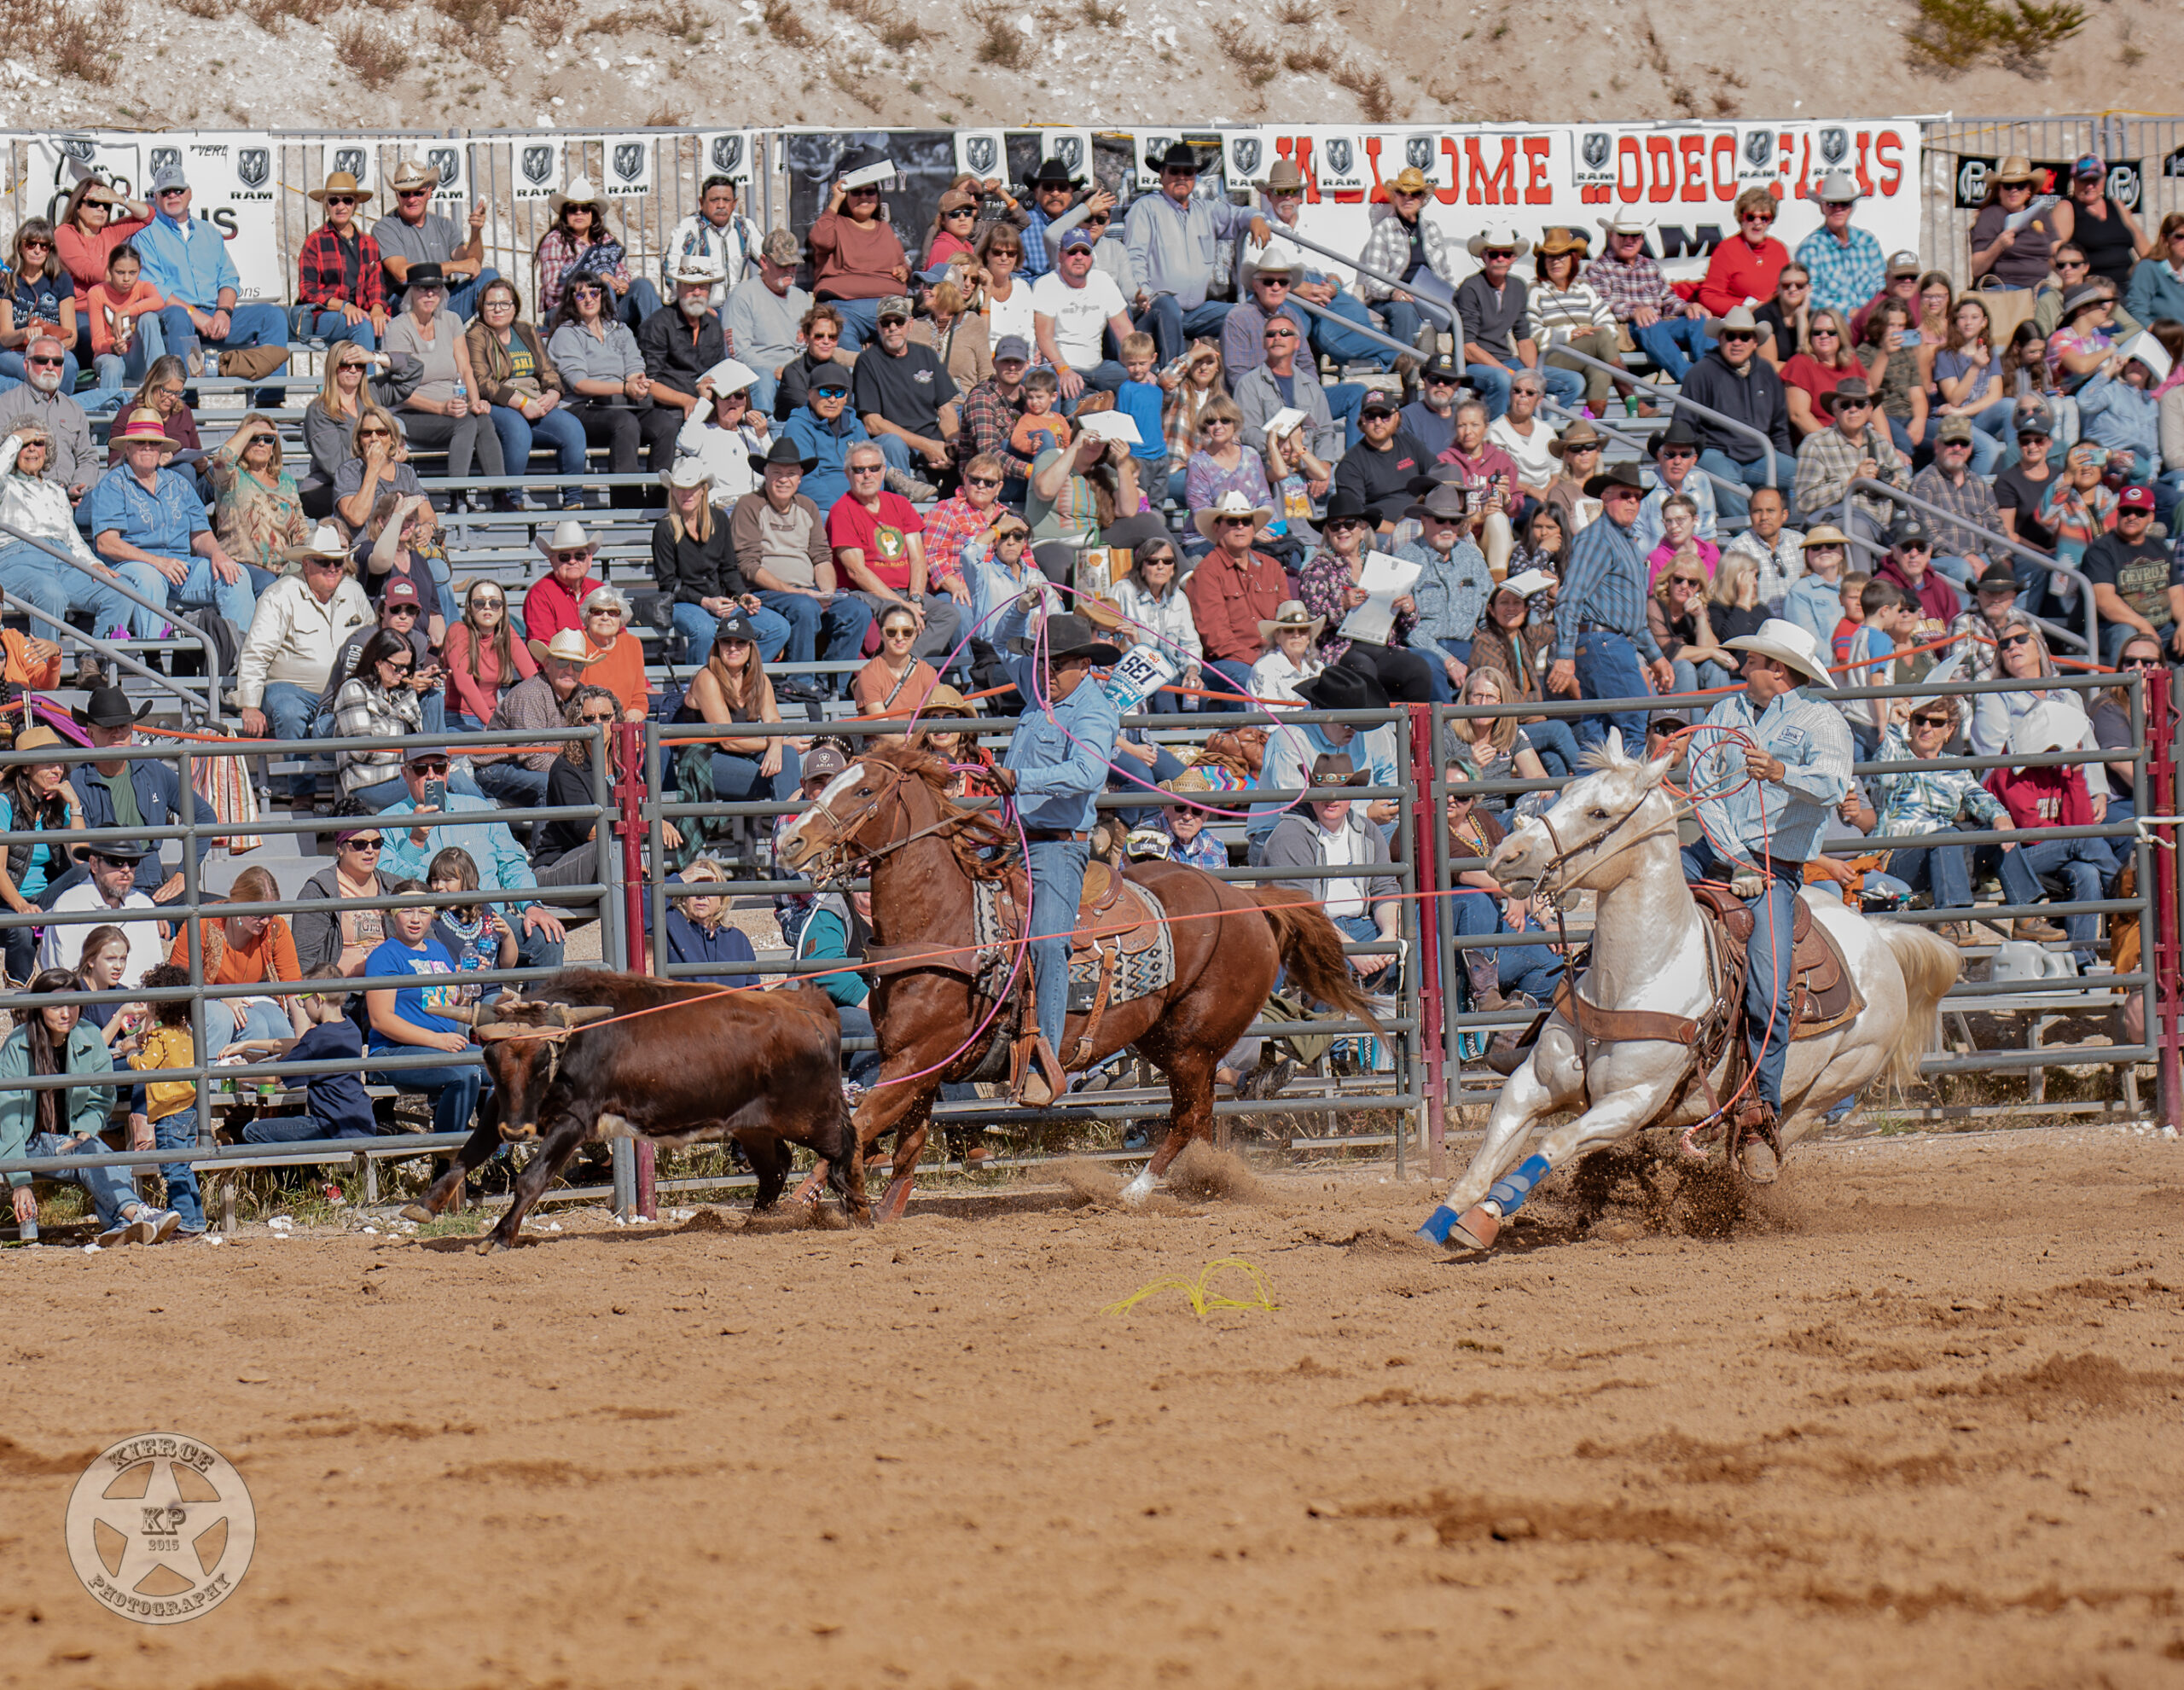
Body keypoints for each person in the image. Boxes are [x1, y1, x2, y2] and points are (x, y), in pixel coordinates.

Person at [1679, 618, 1853, 1174]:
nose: (1742, 666)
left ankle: (1758, 1112)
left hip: (1777, 868)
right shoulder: (1723, 715)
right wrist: (1735, 857)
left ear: (1776, 671)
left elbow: (1833, 784)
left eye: (1751, 660)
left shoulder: (1821, 720)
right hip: (1718, 851)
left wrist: (1780, 770)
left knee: (1771, 988)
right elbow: (1701, 783)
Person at [989, 612, 1124, 1104]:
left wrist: (1022, 781)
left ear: (1084, 665)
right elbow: (1000, 642)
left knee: (1047, 944)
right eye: (1041, 661)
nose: (1044, 672)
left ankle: (1043, 1063)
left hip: (1056, 845)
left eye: (1058, 664)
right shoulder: (1043, 692)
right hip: (1011, 839)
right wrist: (1021, 606)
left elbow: (1089, 772)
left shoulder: (1093, 711)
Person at [2, 968, 179, 1247]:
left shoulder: (90, 1036)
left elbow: (102, 1097)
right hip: (30, 1144)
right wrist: (20, 1179)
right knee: (93, 1153)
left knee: (89, 1150)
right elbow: (8, 1120)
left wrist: (84, 1131)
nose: (66, 1013)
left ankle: (121, 1225)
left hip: (76, 1139)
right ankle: (139, 1213)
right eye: (55, 1005)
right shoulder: (17, 1045)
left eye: (72, 1004)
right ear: (38, 1006)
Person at [375, 751, 570, 975]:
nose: (431, 776)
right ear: (405, 773)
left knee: (547, 940)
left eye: (438, 768)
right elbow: (388, 883)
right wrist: (416, 841)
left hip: (490, 921)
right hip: (432, 928)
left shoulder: (479, 808)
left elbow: (511, 863)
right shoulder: (388, 821)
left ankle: (535, 1009)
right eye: (421, 769)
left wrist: (531, 906)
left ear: (448, 770)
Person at [90, 406, 254, 639]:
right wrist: (157, 561)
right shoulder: (113, 485)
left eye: (154, 443)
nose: (147, 447)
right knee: (150, 578)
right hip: (132, 566)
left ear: (162, 450)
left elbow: (200, 534)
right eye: (140, 442)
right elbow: (107, 544)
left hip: (181, 566)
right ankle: (154, 656)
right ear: (127, 448)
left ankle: (238, 657)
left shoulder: (179, 483)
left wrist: (217, 553)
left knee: (236, 575)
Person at [236, 526, 372, 800]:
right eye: (324, 562)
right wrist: (250, 705)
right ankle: (303, 794)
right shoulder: (279, 594)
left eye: (338, 561)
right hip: (291, 687)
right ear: (306, 564)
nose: (333, 568)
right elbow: (256, 652)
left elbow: (372, 639)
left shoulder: (354, 591)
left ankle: (358, 794)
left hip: (344, 689)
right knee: (288, 711)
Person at [1549, 461, 1677, 752]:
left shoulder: (1624, 541)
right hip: (1604, 643)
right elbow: (1570, 597)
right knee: (1634, 722)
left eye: (1637, 496)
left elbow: (1630, 617)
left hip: (1603, 642)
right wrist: (1565, 655)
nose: (1633, 501)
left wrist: (1656, 657)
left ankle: (1587, 793)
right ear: (1605, 497)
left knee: (1598, 735)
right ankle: (1627, 796)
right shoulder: (1598, 538)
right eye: (1624, 495)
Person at [1984, 699, 2118, 970]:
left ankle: (2082, 963)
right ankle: (2122, 890)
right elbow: (2030, 831)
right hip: (2012, 861)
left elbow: (2080, 823)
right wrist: (2069, 836)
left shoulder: (2060, 770)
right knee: (2079, 843)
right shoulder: (2009, 770)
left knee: (2087, 873)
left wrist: (2076, 775)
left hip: (2049, 853)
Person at [131, 166, 288, 392]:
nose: (173, 195)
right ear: (156, 198)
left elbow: (229, 279)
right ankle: (184, 402)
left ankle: (271, 399)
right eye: (166, 192)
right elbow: (155, 289)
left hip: (215, 315)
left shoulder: (209, 231)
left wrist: (224, 312)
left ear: (189, 193)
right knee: (177, 315)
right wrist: (196, 316)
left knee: (273, 316)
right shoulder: (146, 236)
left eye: (178, 190)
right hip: (178, 320)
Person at [731, 436, 871, 687]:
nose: (783, 479)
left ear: (800, 477)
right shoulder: (749, 505)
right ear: (765, 472)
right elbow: (748, 565)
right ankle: (801, 685)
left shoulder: (808, 506)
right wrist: (796, 592)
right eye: (777, 472)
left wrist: (827, 592)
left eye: (791, 473)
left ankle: (833, 686)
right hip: (765, 592)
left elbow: (822, 557)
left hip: (809, 590)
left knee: (857, 610)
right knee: (804, 608)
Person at [0, 425, 137, 674]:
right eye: (25, 444)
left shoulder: (55, 490)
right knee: (50, 592)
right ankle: (41, 675)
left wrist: (92, 563)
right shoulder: (5, 484)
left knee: (122, 589)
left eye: (38, 444)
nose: (32, 449)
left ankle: (93, 664)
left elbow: (72, 537)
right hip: (16, 558)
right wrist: (14, 438)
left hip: (62, 560)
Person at [1123, 142, 1270, 365]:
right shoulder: (1146, 208)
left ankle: (1243, 380)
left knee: (1246, 315)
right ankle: (1172, 383)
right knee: (1168, 305)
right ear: (1162, 175)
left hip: (1196, 311)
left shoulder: (1206, 210)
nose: (1181, 177)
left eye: (1188, 172)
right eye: (1174, 171)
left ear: (1195, 177)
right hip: (1155, 310)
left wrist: (1256, 218)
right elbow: (1135, 258)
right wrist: (1145, 296)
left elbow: (1239, 214)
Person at [1261, 753, 1402, 985]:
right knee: (1329, 961)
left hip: (1362, 924)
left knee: (1423, 940)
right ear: (1312, 791)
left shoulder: (1368, 830)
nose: (1331, 798)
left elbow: (1384, 888)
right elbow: (1302, 911)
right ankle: (1332, 1018)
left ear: (1352, 791)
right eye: (1322, 789)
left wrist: (1388, 936)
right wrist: (1352, 950)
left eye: (1340, 789)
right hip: (1309, 933)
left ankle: (1425, 1014)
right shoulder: (1289, 835)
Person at [548, 271, 679, 501]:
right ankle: (626, 501)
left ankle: (659, 501)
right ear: (571, 301)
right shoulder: (566, 333)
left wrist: (637, 382)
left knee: (665, 423)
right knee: (624, 423)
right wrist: (624, 388)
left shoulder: (620, 330)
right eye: (580, 295)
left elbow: (635, 364)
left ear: (602, 296)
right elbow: (579, 383)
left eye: (594, 292)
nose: (589, 299)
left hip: (622, 403)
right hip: (583, 408)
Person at [363, 881, 479, 1138]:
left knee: (505, 1065)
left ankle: (495, 1152)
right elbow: (381, 1020)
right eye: (407, 911)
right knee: (465, 1073)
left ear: (433, 915)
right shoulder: (385, 956)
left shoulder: (438, 950)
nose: (416, 919)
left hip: (442, 1045)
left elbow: (449, 1004)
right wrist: (438, 1040)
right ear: (393, 913)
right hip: (392, 1051)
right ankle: (447, 1162)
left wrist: (467, 987)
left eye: (424, 912)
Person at [828, 440, 961, 666]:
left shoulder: (899, 504)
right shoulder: (842, 510)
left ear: (883, 471)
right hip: (865, 593)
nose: (867, 475)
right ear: (847, 474)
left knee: (949, 614)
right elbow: (856, 571)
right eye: (859, 470)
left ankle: (903, 669)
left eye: (874, 468)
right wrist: (903, 606)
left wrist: (916, 599)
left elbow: (918, 557)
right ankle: (893, 673)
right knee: (897, 616)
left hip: (905, 592)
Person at [1298, 489, 1437, 703]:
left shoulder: (1381, 563)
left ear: (1363, 529)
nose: (1342, 530)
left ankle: (1415, 734)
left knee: (1418, 668)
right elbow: (1310, 622)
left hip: (1381, 644)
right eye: (1335, 525)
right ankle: (1370, 734)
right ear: (1327, 532)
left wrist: (1408, 609)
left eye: (1350, 523)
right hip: (1340, 647)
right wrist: (1341, 604)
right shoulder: (1317, 569)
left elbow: (1407, 626)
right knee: (1362, 668)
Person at [68, 689, 203, 903]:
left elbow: (204, 815)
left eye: (123, 726)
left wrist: (185, 874)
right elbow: (79, 857)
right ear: (91, 733)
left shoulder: (152, 769)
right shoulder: (77, 781)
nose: (117, 733)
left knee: (222, 911)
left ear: (132, 729)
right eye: (107, 727)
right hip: (104, 892)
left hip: (156, 888)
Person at [651, 458, 787, 666]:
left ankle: (738, 678)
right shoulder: (664, 529)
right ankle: (698, 687)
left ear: (703, 490)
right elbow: (668, 585)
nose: (686, 494)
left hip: (720, 600)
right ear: (673, 491)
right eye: (680, 488)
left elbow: (729, 568)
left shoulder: (719, 519)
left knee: (779, 628)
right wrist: (706, 601)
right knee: (703, 629)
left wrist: (742, 596)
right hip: (683, 603)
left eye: (692, 488)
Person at [386, 262, 505, 497]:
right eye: (422, 288)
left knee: (483, 420)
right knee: (467, 423)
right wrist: (441, 408)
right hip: (411, 413)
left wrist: (475, 402)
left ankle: (501, 495)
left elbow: (465, 368)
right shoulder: (397, 329)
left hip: (452, 410)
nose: (430, 294)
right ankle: (458, 497)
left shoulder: (451, 321)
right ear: (411, 292)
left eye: (436, 288)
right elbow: (399, 390)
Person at [332, 628, 479, 809]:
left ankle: (485, 826)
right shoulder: (353, 690)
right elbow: (362, 750)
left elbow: (421, 736)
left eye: (407, 667)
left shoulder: (401, 692)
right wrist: (415, 759)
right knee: (451, 779)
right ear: (377, 662)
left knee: (450, 777)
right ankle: (493, 826)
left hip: (410, 774)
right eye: (398, 667)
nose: (403, 673)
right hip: (370, 785)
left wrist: (418, 687)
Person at [467, 277, 585, 496]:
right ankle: (510, 498)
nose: (498, 309)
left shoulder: (526, 331)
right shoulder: (476, 336)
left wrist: (552, 392)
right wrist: (521, 403)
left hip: (534, 398)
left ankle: (574, 500)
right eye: (491, 304)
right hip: (499, 403)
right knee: (518, 430)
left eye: (505, 303)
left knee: (572, 428)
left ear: (515, 306)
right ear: (481, 307)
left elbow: (547, 370)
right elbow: (483, 382)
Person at [165, 863, 307, 1044]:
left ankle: (281, 1071)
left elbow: (293, 989)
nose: (265, 921)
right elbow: (177, 980)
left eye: (271, 914)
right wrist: (219, 995)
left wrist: (303, 1044)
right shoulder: (203, 923)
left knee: (278, 1024)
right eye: (258, 915)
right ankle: (227, 1071)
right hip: (205, 999)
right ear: (238, 903)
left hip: (254, 999)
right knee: (254, 1025)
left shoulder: (275, 927)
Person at [237, 971, 379, 1148]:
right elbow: (299, 1044)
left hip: (329, 1127)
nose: (302, 1006)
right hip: (361, 1122)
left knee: (252, 1132)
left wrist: (238, 1072)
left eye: (303, 998)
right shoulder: (350, 1029)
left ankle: (309, 1175)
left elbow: (273, 1077)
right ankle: (313, 1176)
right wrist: (248, 1044)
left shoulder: (317, 1038)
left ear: (318, 999)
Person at [674, 611, 804, 804]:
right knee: (783, 774)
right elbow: (729, 741)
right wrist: (778, 744)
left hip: (743, 754)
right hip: (706, 758)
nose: (733, 648)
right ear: (717, 646)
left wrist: (778, 745)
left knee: (787, 756)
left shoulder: (760, 679)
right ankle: (787, 827)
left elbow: (774, 721)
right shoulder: (707, 678)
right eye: (726, 642)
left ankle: (785, 825)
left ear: (751, 647)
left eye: (740, 642)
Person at [1680, 305, 1797, 520]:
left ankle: (1794, 538)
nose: (1737, 342)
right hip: (1716, 452)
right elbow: (1684, 423)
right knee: (1726, 482)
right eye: (1731, 335)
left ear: (1754, 342)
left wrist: (1784, 457)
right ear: (1720, 338)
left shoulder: (1767, 371)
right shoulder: (1700, 373)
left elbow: (1779, 426)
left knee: (1802, 476)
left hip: (1760, 455)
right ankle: (1748, 541)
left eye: (1744, 337)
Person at [1455, 227, 1583, 421]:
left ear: (1514, 258)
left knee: (1574, 381)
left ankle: (1544, 428)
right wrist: (1507, 371)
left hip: (1507, 362)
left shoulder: (1518, 286)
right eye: (1494, 254)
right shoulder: (1470, 287)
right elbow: (1468, 348)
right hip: (1472, 365)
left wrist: (1533, 375)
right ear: (1484, 256)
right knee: (1503, 380)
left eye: (1506, 254)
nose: (1500, 259)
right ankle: (1496, 434)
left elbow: (1524, 338)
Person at [1468, 569, 1579, 775]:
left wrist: (1554, 595)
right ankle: (1589, 783)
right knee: (1558, 730)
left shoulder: (1524, 636)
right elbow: (1506, 699)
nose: (1511, 608)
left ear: (1526, 609)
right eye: (1504, 603)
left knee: (1554, 760)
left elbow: (1560, 627)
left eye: (1517, 603)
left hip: (1526, 726)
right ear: (1491, 610)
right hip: (1500, 730)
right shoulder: (1486, 643)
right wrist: (1538, 717)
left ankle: (1555, 803)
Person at [474, 629, 597, 809]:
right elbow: (533, 756)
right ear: (547, 664)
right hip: (496, 767)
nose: (570, 670)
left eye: (578, 664)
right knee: (551, 785)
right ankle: (544, 838)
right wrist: (578, 771)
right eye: (563, 661)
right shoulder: (530, 694)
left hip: (535, 765)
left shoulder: (582, 695)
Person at [1185, 489, 1288, 700]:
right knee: (1248, 678)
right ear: (1217, 527)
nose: (1240, 526)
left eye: (1246, 520)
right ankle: (1243, 732)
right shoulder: (1206, 573)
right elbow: (1218, 641)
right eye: (1232, 521)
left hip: (1272, 657)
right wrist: (1262, 661)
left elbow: (1286, 622)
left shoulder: (1273, 567)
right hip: (1227, 662)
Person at [807, 146, 911, 353]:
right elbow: (820, 240)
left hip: (888, 308)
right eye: (856, 192)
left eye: (870, 192)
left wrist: (903, 271)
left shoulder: (885, 229)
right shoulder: (836, 223)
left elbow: (902, 264)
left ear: (878, 197)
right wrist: (836, 199)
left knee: (908, 345)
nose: (864, 197)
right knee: (846, 348)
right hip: (843, 307)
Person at [1586, 212, 1711, 382]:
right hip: (1625, 330)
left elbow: (1668, 299)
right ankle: (1690, 379)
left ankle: (1713, 375)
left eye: (1635, 235)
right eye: (1623, 234)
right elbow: (1601, 304)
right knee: (1648, 323)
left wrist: (1688, 307)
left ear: (1642, 238)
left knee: (1698, 319)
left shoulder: (1649, 266)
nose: (1629, 240)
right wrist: (1635, 311)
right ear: (1611, 235)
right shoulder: (1598, 268)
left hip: (1657, 326)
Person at [1398, 481, 1495, 698]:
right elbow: (1406, 629)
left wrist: (1489, 642)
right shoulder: (1405, 560)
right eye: (1440, 520)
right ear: (1424, 519)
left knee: (1494, 659)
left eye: (1454, 521)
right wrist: (1448, 661)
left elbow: (1488, 612)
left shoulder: (1471, 557)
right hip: (1422, 648)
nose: (1448, 527)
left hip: (1466, 644)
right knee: (1430, 665)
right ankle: (1446, 729)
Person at [855, 293, 960, 487]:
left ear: (910, 324)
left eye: (899, 321)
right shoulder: (868, 361)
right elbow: (873, 424)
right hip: (898, 446)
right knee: (893, 444)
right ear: (878, 327)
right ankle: (903, 505)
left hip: (933, 442)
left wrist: (950, 446)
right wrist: (926, 446)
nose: (893, 328)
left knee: (966, 444)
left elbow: (946, 410)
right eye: (886, 323)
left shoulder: (926, 354)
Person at [1353, 166, 1455, 362]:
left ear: (1421, 199)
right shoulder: (1383, 230)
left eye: (1414, 193)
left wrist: (1452, 297)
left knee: (1460, 312)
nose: (1408, 198)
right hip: (1391, 300)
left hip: (1427, 298)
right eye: (1402, 193)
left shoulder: (1432, 229)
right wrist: (1394, 293)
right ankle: (1406, 366)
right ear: (1395, 196)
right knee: (1405, 311)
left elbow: (1444, 273)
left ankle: (1456, 370)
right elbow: (1372, 279)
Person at [376, 158, 497, 320]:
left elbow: (473, 264)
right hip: (406, 306)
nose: (412, 199)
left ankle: (487, 339)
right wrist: (455, 266)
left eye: (418, 193)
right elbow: (402, 273)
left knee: (489, 278)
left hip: (442, 302)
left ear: (429, 192)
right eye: (405, 194)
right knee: (408, 287)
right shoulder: (385, 227)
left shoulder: (445, 225)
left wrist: (476, 231)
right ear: (397, 195)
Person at [1792, 377, 1909, 541]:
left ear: (1869, 410)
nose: (1853, 409)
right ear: (1835, 410)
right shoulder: (1816, 444)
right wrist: (1852, 483)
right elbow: (1804, 501)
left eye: (1860, 404)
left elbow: (1907, 489)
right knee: (1858, 528)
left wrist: (1895, 486)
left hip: (1884, 529)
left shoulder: (1881, 443)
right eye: (1845, 405)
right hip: (1840, 531)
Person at [2080, 483, 2184, 664]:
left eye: (2140, 512)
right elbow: (2105, 601)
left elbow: (2175, 595)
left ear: (2151, 517)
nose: (2132, 517)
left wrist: (2183, 622)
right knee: (2127, 634)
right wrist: (2144, 626)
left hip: (2162, 629)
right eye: (2126, 511)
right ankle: (2121, 691)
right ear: (2117, 514)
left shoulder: (2159, 547)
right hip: (2111, 628)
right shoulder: (2101, 550)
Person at [37, 835, 160, 979]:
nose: (126, 869)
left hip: (138, 1000)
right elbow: (69, 982)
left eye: (133, 862)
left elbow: (153, 971)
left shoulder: (144, 904)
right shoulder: (69, 906)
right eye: (116, 861)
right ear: (94, 864)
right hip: (86, 1000)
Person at [1529, 228, 1623, 415]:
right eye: (1550, 257)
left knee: (1601, 373)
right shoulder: (1535, 290)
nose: (1556, 261)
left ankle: (1590, 432)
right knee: (1600, 336)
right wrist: (1569, 334)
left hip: (1586, 355)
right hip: (1553, 357)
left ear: (1572, 259)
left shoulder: (1584, 288)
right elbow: (1533, 334)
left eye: (1562, 256)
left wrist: (1590, 336)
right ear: (1543, 262)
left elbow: (1608, 322)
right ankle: (1630, 395)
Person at [204, 410, 308, 578]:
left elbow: (300, 529)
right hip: (241, 568)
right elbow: (222, 460)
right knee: (267, 583)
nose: (261, 443)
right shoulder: (232, 477)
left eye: (268, 440)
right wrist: (251, 428)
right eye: (255, 438)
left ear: (274, 448)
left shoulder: (287, 481)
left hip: (282, 570)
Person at [1032, 229, 1132, 401]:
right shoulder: (1046, 284)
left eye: (1085, 252)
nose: (1079, 257)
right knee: (1070, 397)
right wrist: (1064, 370)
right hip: (1064, 367)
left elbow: (1124, 329)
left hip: (1100, 368)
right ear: (1061, 256)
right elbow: (1044, 337)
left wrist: (1139, 365)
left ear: (1091, 257)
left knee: (1138, 388)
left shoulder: (1103, 280)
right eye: (1072, 252)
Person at [1107, 530, 1201, 711]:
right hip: (1134, 672)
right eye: (1153, 561)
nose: (1160, 566)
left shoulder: (1179, 598)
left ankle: (1193, 736)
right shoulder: (1122, 591)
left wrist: (1192, 670)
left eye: (1167, 561)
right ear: (1141, 567)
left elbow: (1190, 643)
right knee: (1164, 686)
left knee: (1197, 687)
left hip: (1173, 670)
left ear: (1173, 568)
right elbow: (1107, 634)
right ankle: (1173, 737)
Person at [295, 169, 387, 351]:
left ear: (355, 204)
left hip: (361, 312)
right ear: (326, 205)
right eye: (334, 200)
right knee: (362, 326)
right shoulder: (315, 241)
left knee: (394, 328)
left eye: (347, 200)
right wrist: (343, 306)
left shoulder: (369, 243)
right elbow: (307, 290)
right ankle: (365, 380)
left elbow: (377, 285)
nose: (341, 206)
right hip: (325, 314)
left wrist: (378, 309)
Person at [724, 227, 810, 419]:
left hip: (796, 371)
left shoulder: (802, 298)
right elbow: (738, 352)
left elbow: (807, 345)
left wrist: (793, 373)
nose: (789, 270)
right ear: (764, 262)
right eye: (782, 265)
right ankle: (764, 435)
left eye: (793, 265)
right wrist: (776, 371)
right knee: (763, 378)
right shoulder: (743, 296)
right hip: (762, 374)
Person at [0, 329, 96, 492]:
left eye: (57, 362)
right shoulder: (6, 405)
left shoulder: (74, 409)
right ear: (26, 364)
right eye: (42, 360)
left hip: (68, 498)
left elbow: (87, 458)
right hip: (22, 497)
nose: (50, 367)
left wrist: (79, 487)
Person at [1029, 413, 1144, 547]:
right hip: (1050, 543)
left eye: (1100, 440)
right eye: (1089, 437)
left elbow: (1128, 510)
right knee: (1063, 561)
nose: (1094, 444)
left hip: (1093, 542)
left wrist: (1123, 464)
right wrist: (1074, 447)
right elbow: (1045, 491)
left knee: (1147, 522)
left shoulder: (1106, 472)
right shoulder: (1051, 457)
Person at [294, 828, 394, 979]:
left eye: (376, 843)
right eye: (359, 844)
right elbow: (304, 958)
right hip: (342, 993)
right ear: (340, 848)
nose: (370, 850)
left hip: (392, 985)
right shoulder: (320, 892)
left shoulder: (393, 886)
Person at [671, 357, 770, 507]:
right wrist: (704, 401)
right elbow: (685, 443)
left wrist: (763, 436)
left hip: (751, 508)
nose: (732, 401)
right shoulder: (704, 430)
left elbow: (775, 468)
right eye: (725, 396)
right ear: (715, 401)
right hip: (717, 509)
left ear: (746, 401)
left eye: (739, 395)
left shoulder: (753, 434)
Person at [1449, 667, 1550, 810]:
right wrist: (1470, 766)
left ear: (1501, 702)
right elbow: (1438, 785)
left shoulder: (1511, 733)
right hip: (1463, 818)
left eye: (1490, 697)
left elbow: (1537, 776)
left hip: (1499, 819)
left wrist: (1543, 788)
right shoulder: (1449, 733)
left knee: (1549, 802)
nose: (1483, 704)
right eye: (1477, 696)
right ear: (1467, 699)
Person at [1330, 391, 1431, 531]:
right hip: (1381, 533)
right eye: (1371, 417)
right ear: (1362, 420)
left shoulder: (1408, 442)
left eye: (1384, 416)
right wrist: (1398, 531)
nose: (1378, 423)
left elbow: (1436, 473)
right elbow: (1356, 515)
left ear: (1396, 417)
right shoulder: (1350, 464)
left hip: (1425, 523)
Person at [1793, 170, 1886, 321]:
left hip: (1873, 323)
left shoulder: (1868, 242)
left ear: (1852, 207)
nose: (1838, 209)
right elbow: (1810, 296)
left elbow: (1882, 285)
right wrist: (1850, 313)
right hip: (1835, 329)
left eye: (1844, 203)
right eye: (1832, 204)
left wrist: (1872, 313)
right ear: (1822, 207)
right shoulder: (1811, 248)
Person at [662, 174, 763, 312]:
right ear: (702, 203)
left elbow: (768, 261)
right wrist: (699, 304)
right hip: (695, 309)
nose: (721, 205)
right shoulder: (689, 229)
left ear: (734, 204)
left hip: (734, 309)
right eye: (714, 200)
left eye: (726, 200)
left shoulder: (745, 228)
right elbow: (672, 271)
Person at [83, 243, 165, 411]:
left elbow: (158, 301)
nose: (126, 279)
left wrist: (125, 312)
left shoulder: (144, 287)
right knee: (112, 363)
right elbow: (97, 344)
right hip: (109, 357)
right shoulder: (97, 293)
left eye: (132, 273)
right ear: (110, 270)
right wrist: (112, 346)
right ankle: (106, 422)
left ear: (139, 271)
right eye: (120, 272)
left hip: (136, 359)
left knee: (149, 318)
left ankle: (160, 384)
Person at [302, 345, 378, 519]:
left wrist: (375, 358)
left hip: (371, 480)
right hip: (326, 486)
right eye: (345, 365)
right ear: (333, 367)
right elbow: (337, 466)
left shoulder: (373, 399)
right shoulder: (319, 410)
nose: (353, 370)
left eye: (359, 365)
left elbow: (413, 372)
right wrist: (379, 464)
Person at [659, 857, 759, 986]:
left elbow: (753, 992)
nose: (702, 895)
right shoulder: (670, 924)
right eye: (695, 887)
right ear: (683, 897)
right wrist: (679, 880)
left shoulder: (738, 940)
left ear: (721, 898)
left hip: (731, 1006)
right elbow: (636, 909)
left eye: (709, 889)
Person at [1699, 188, 1792, 317]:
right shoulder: (1727, 249)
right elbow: (1709, 296)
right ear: (1741, 219)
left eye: (1764, 218)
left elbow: (1787, 288)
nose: (1757, 223)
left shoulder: (1778, 249)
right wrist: (1745, 306)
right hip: (1741, 323)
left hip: (1776, 317)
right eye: (1751, 217)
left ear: (1770, 221)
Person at [1631, 419, 1719, 553]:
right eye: (1670, 455)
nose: (1677, 461)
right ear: (1659, 456)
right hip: (1652, 567)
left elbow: (1709, 535)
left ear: (1693, 459)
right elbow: (1633, 535)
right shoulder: (1644, 482)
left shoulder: (1701, 481)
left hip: (1693, 566)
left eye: (1685, 455)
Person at [1651, 554, 1734, 694]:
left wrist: (1700, 617)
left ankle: (1725, 716)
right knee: (1684, 667)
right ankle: (1695, 717)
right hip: (1660, 672)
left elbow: (1712, 647)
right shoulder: (1654, 606)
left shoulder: (1699, 609)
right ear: (1668, 580)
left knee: (1716, 670)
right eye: (1678, 580)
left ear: (1699, 587)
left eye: (1692, 582)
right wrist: (1710, 652)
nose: (1684, 586)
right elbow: (1669, 652)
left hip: (1692, 673)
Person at [2066, 156, 2150, 293]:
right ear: (2074, 180)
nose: (2090, 186)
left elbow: (2142, 244)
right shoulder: (2068, 208)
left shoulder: (2116, 205)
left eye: (2095, 180)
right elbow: (2055, 251)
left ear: (2104, 179)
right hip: (2096, 289)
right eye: (2084, 180)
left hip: (2130, 284)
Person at [55, 177, 150, 298]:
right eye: (93, 203)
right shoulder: (64, 232)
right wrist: (123, 278)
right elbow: (86, 270)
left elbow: (148, 216)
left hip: (112, 305)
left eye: (106, 205)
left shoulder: (110, 231)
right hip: (80, 307)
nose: (101, 209)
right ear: (77, 206)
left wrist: (119, 199)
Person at [1722, 485, 1806, 615]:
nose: (1764, 517)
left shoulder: (1801, 543)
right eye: (1757, 511)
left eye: (1771, 511)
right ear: (1750, 515)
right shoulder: (1738, 550)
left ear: (1784, 515)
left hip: (1799, 625)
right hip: (1758, 628)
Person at [853, 602, 939, 719]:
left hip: (919, 735)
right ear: (882, 635)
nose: (899, 638)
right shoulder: (869, 674)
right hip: (885, 736)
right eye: (891, 632)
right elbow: (882, 729)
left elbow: (933, 719)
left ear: (915, 634)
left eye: (907, 632)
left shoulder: (928, 672)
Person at [1248, 600, 1325, 706]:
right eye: (1289, 630)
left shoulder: (1318, 668)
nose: (1296, 635)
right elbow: (1266, 716)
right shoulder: (1264, 668)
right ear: (1277, 637)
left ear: (1308, 637)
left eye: (1302, 630)